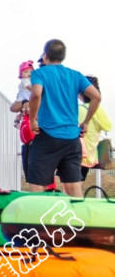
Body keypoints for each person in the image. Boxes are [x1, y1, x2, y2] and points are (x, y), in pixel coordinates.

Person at [27, 39, 101, 197]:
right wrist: (86, 122)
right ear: (63, 56)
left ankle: (37, 221)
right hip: (72, 139)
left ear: (45, 56)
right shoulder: (75, 75)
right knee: (73, 187)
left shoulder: (39, 73)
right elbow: (96, 97)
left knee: (37, 186)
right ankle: (79, 221)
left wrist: (33, 119)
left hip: (47, 136)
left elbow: (36, 94)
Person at [78, 75, 112, 179]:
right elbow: (108, 127)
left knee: (70, 184)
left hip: (75, 152)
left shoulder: (77, 109)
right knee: (77, 183)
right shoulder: (98, 110)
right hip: (90, 154)